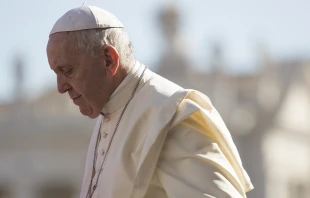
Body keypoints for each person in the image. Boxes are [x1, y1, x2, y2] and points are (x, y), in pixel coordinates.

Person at [46, 4, 253, 198]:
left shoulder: (173, 115)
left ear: (108, 59)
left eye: (67, 71)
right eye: (57, 73)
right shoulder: (106, 117)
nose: (60, 87)